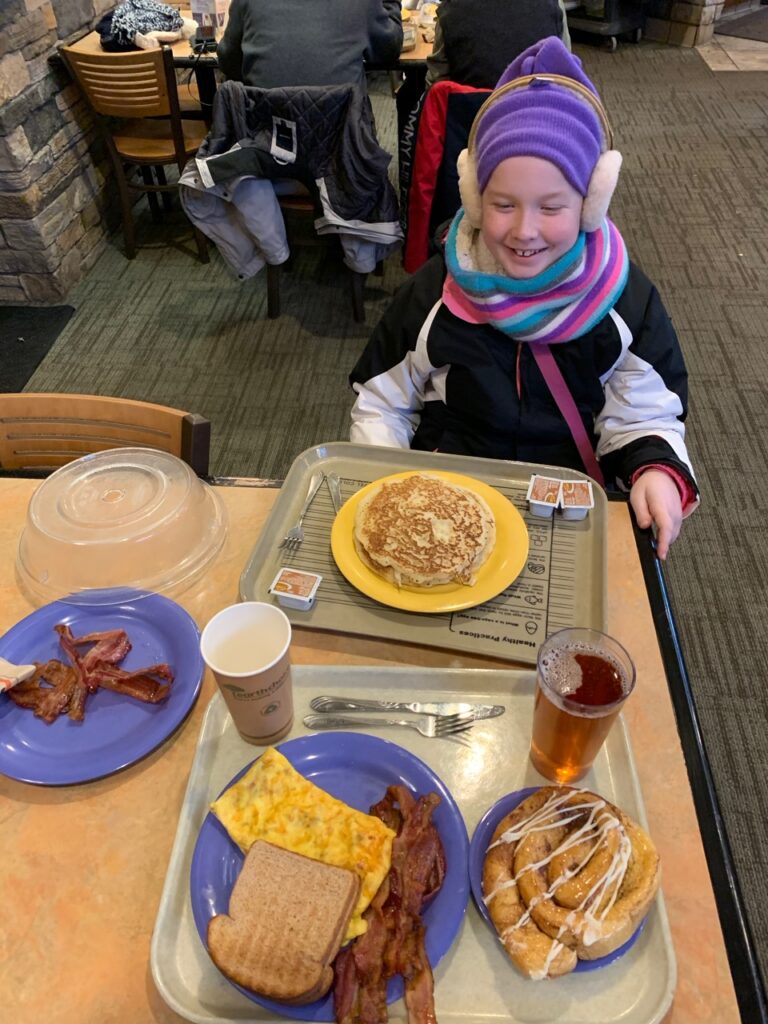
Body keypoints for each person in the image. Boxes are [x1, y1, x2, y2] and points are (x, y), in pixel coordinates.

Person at [350, 36, 699, 559]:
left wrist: (656, 468)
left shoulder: (621, 299)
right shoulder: (437, 291)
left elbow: (644, 412)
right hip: (449, 495)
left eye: (552, 207)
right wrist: (388, 480)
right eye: (503, 203)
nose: (524, 230)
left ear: (590, 203)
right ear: (473, 195)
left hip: (563, 503)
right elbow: (382, 399)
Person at [216, 0, 403, 90]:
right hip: (344, 146)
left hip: (265, 144)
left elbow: (228, 60)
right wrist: (390, 4)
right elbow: (388, 50)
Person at [426, 0, 570, 90]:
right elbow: (566, 70)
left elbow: (437, 83)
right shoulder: (553, 5)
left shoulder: (451, 8)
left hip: (471, 129)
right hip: (537, 123)